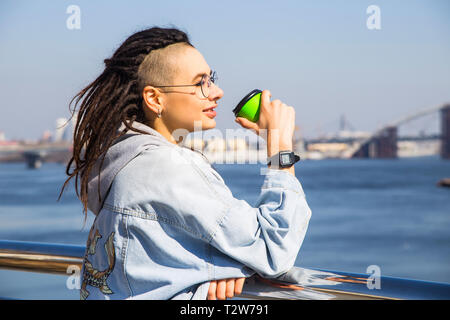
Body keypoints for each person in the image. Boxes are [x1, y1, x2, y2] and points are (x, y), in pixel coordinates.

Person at [59, 26, 312, 300]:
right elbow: (274, 248)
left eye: (211, 78)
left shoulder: (122, 161)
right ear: (155, 99)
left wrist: (215, 266)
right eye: (199, 82)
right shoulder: (166, 167)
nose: (217, 92)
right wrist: (280, 148)